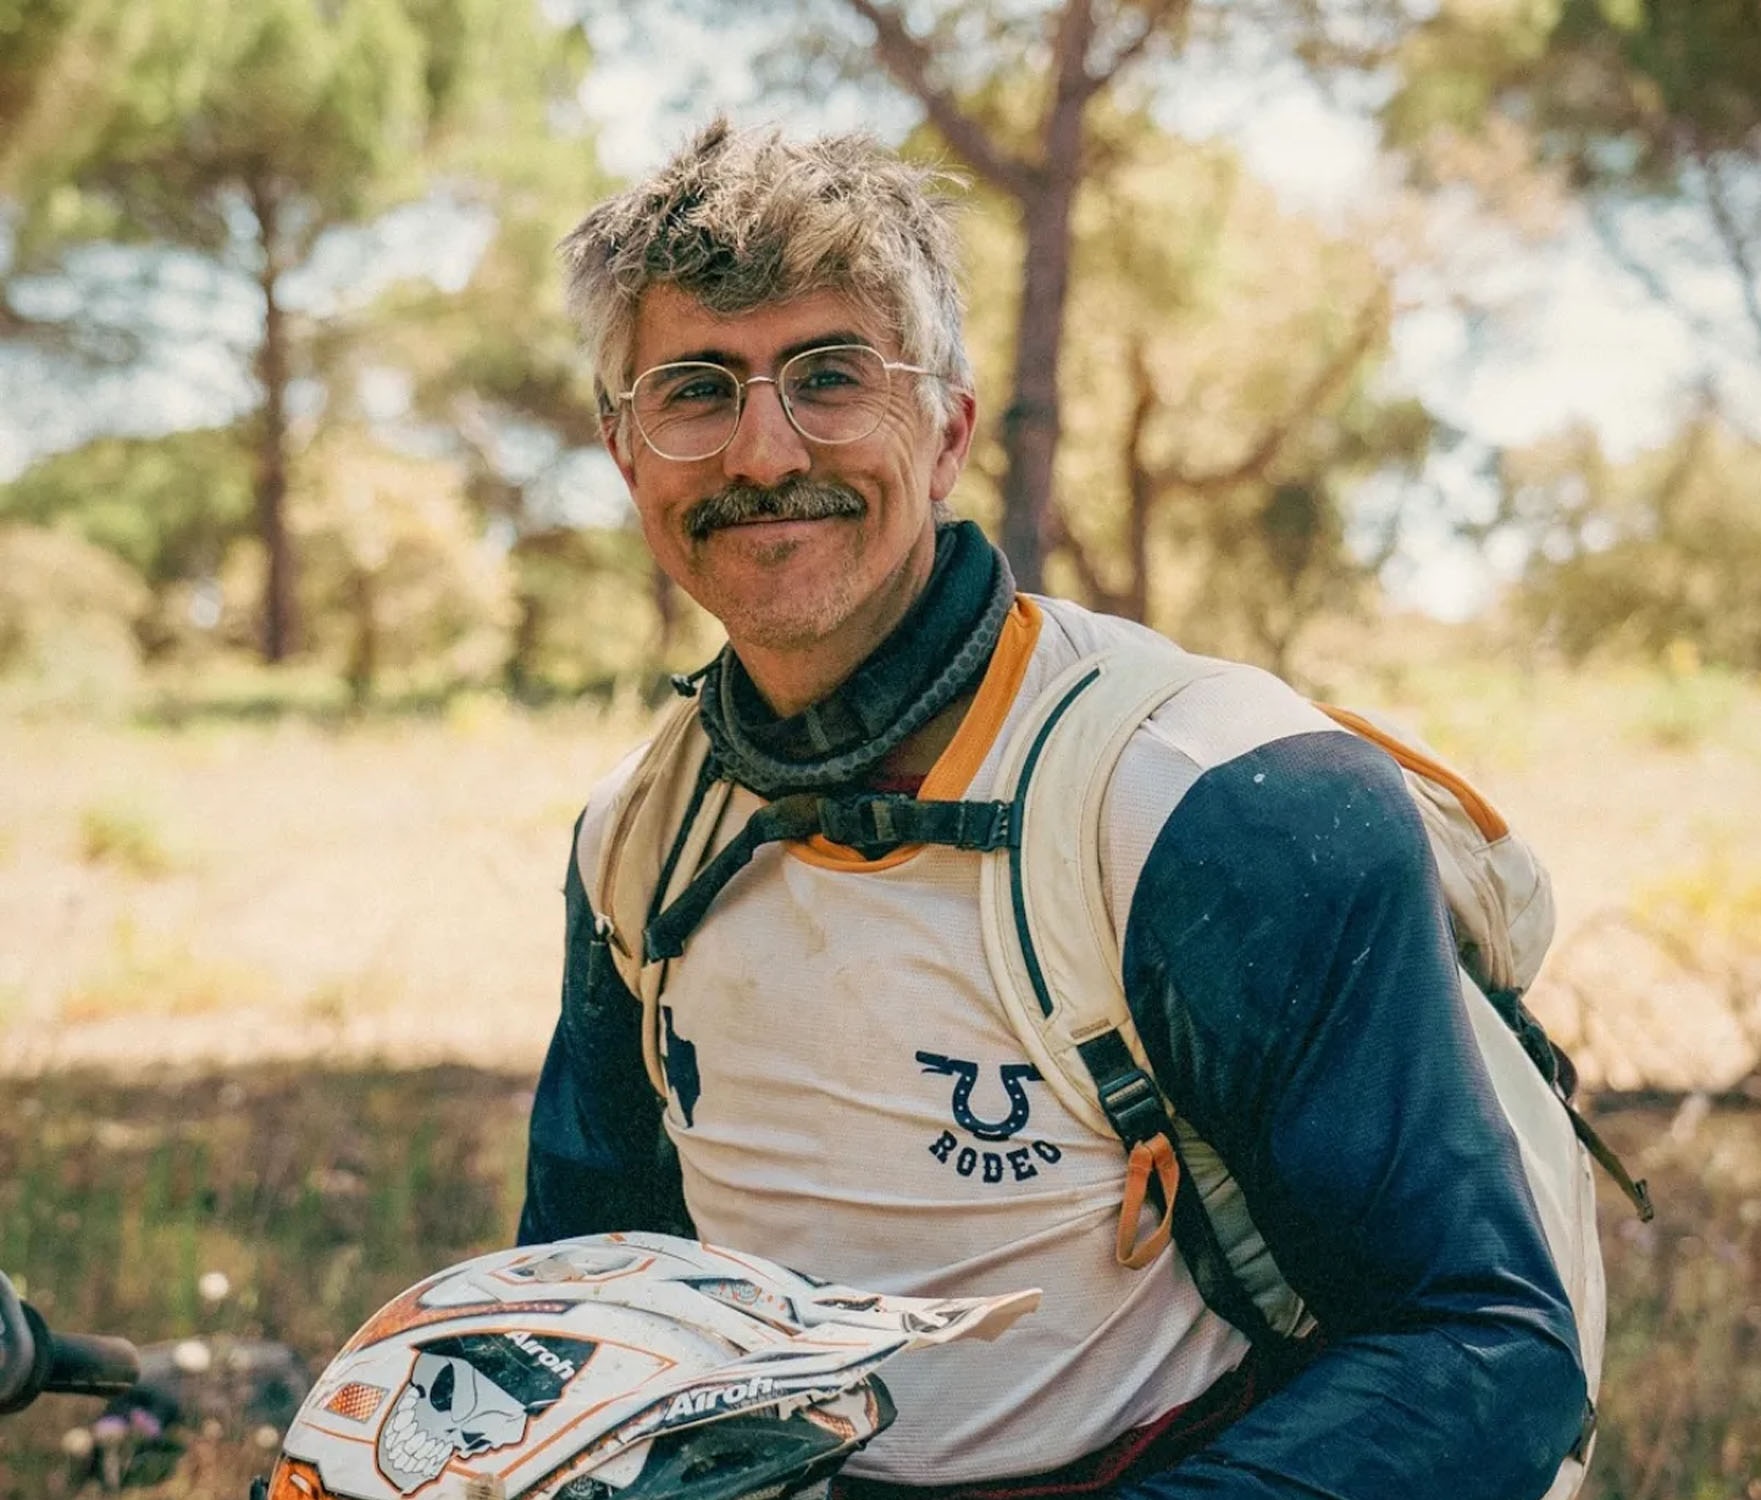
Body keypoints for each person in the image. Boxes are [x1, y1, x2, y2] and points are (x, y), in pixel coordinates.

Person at [518, 119, 1588, 1499]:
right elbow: (581, 1307)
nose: (763, 450)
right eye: (694, 390)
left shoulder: (1217, 802)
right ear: (624, 453)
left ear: (948, 429)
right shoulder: (637, 840)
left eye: (832, 377)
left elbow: (1485, 1352)